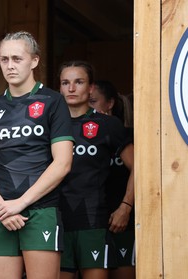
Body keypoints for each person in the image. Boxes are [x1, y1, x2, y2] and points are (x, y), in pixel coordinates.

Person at [0, 31, 74, 279]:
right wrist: (1, 207)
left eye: (17, 59)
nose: (10, 66)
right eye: (4, 59)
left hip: (40, 210)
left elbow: (63, 163)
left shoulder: (53, 102)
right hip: (0, 212)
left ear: (34, 61)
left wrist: (21, 203)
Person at [58, 61, 134, 279]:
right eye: (66, 83)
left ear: (90, 87)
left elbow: (138, 167)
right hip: (56, 222)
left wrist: (125, 207)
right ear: (60, 88)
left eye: (79, 82)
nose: (71, 88)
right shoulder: (49, 125)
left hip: (94, 223)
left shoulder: (108, 124)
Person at [90, 80, 135, 279]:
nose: (88, 107)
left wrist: (125, 207)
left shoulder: (125, 135)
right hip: (90, 222)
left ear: (110, 104)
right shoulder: (74, 135)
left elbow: (139, 170)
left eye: (93, 101)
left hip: (121, 221)